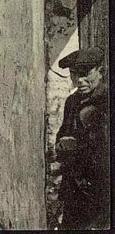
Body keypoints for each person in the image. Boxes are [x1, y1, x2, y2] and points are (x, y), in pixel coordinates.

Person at [55, 47, 109, 229]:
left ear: (101, 72)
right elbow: (63, 132)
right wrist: (61, 145)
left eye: (85, 73)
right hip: (73, 187)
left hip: (100, 189)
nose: (79, 80)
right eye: (74, 74)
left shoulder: (106, 101)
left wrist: (77, 147)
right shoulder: (72, 102)